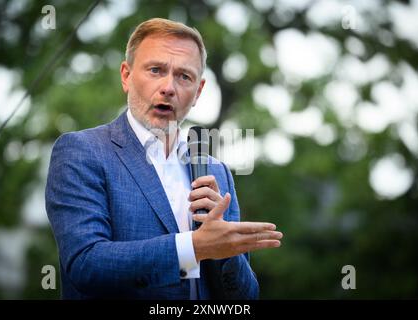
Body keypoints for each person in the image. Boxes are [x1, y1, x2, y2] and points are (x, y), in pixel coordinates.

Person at [45, 18, 283, 300]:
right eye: (156, 70)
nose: (169, 87)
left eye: (184, 76)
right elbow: (86, 265)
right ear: (126, 75)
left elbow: (244, 297)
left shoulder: (217, 172)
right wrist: (194, 247)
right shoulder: (82, 151)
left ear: (198, 91)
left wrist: (226, 251)